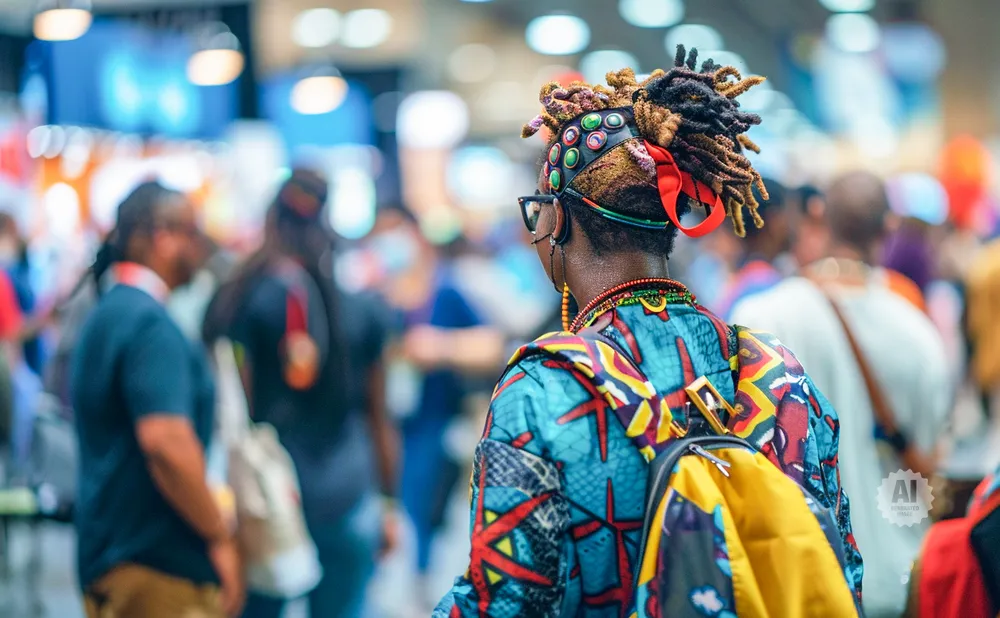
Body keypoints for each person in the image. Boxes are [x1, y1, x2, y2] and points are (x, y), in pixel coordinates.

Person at [436, 49, 862, 617]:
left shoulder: (541, 392)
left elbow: (505, 601)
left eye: (535, 211)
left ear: (559, 220)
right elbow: (841, 572)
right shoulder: (777, 371)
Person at [731, 171, 951, 618]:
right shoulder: (919, 333)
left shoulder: (758, 319)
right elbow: (923, 466)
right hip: (898, 580)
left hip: (798, 585)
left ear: (818, 215)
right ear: (888, 227)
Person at [203, 169, 399, 618]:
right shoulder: (363, 310)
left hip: (267, 498)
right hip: (347, 492)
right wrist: (390, 503)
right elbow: (379, 416)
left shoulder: (238, 300)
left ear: (272, 218)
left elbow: (234, 411)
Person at [71, 181, 242, 618]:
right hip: (157, 569)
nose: (200, 245)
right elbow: (166, 443)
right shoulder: (150, 326)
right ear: (162, 236)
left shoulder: (108, 312)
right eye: (191, 230)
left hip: (114, 554)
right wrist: (218, 536)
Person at [714, 177, 791, 319]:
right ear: (774, 220)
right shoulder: (765, 285)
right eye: (789, 214)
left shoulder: (740, 281)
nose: (792, 224)